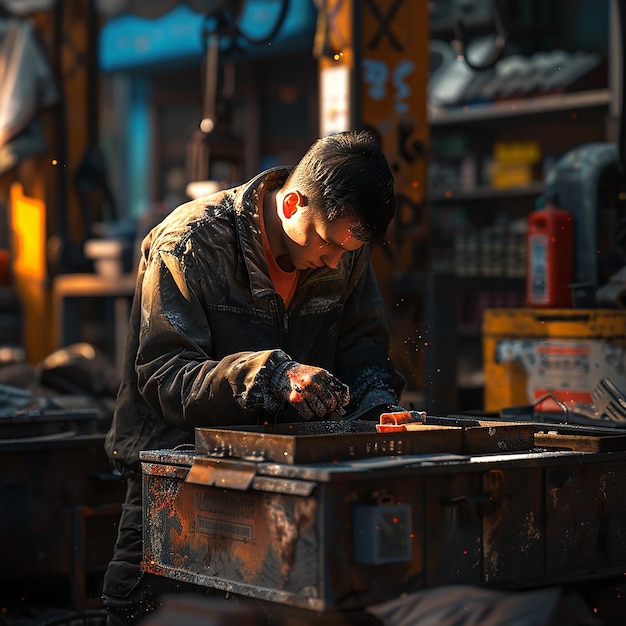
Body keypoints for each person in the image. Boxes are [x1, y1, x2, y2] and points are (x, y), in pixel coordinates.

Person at [101, 130, 405, 624]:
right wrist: (268, 377)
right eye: (328, 245)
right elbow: (165, 375)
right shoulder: (191, 244)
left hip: (286, 464)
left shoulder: (343, 246)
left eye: (348, 251)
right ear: (292, 203)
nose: (335, 261)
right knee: (150, 607)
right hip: (178, 460)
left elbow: (363, 345)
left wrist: (374, 403)